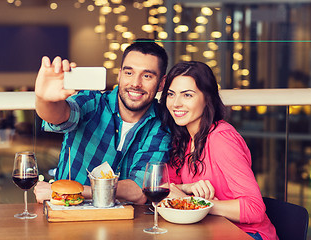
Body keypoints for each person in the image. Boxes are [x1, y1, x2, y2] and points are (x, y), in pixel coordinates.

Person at [34, 39, 171, 205]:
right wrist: (44, 100)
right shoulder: (92, 102)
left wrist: (70, 191)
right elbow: (59, 116)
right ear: (119, 74)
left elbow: (140, 190)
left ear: (161, 83)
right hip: (68, 214)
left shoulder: (161, 125)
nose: (136, 83)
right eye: (129, 73)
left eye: (147, 76)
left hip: (124, 224)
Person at [159, 61, 278, 240]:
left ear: (207, 98)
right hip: (208, 231)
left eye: (187, 95)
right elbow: (164, 187)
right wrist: (186, 188)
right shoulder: (182, 139)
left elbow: (254, 209)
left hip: (247, 234)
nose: (176, 103)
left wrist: (195, 203)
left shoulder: (221, 138)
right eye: (171, 94)